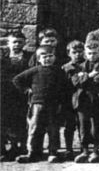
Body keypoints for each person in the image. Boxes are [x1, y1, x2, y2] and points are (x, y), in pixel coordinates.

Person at [13, 45, 71, 163]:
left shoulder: (59, 71)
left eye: (50, 56)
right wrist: (27, 90)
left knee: (53, 129)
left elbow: (64, 87)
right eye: (43, 56)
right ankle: (32, 152)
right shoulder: (34, 70)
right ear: (38, 59)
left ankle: (52, 152)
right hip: (37, 105)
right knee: (34, 128)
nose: (47, 59)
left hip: (53, 105)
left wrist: (61, 102)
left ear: (55, 57)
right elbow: (16, 80)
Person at [67, 40, 99, 163]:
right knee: (83, 126)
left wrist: (85, 77)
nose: (92, 56)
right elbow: (76, 82)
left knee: (96, 126)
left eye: (95, 53)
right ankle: (85, 151)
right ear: (85, 54)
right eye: (89, 53)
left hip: (98, 99)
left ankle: (95, 151)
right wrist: (90, 75)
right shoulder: (78, 66)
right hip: (82, 100)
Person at [1, 31, 32, 161]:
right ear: (8, 43)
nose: (17, 45)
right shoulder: (3, 57)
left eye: (20, 42)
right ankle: (2, 148)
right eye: (14, 42)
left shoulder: (29, 57)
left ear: (24, 43)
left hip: (22, 94)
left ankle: (18, 147)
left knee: (21, 120)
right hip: (5, 93)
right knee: (3, 120)